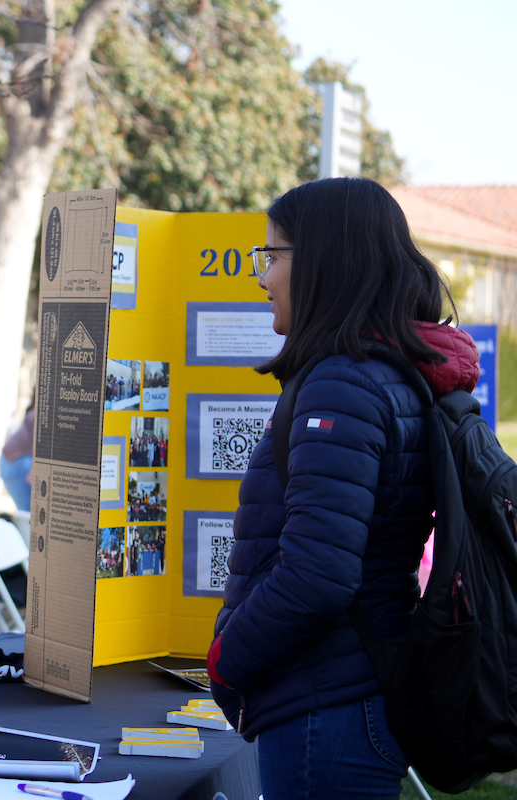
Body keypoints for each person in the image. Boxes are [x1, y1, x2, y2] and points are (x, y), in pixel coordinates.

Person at [205, 177, 480, 799]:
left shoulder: (344, 384)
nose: (261, 276)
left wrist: (228, 664)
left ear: (326, 261)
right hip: (348, 691)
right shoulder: (380, 373)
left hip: (325, 708)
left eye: (272, 256)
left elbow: (318, 574)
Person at [0, 403, 35, 512]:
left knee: (28, 516)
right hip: (20, 466)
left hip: (9, 463)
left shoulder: (36, 411)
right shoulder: (44, 412)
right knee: (31, 518)